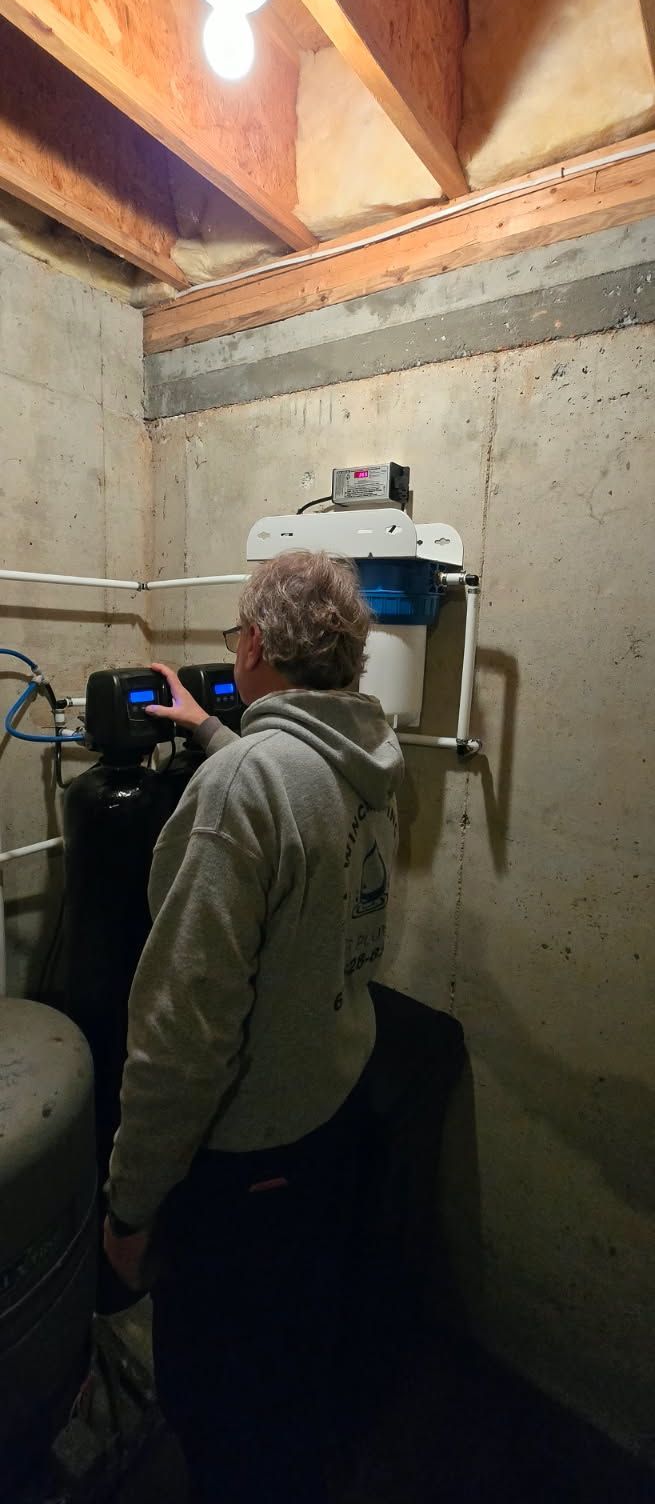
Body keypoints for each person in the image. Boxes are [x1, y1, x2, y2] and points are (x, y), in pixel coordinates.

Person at [104, 550, 404, 1503]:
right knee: (289, 1360)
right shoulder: (366, 762)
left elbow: (180, 1036)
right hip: (331, 1115)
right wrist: (206, 731)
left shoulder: (247, 792)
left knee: (218, 1400)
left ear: (257, 647)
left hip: (245, 1165)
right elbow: (286, 792)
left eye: (239, 633)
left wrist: (129, 1207)